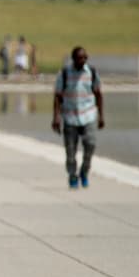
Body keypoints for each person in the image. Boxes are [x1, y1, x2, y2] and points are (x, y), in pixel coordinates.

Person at [53, 46, 104, 189]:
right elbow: (57, 96)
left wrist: (101, 116)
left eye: (85, 58)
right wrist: (56, 118)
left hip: (89, 115)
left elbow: (99, 94)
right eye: (80, 58)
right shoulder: (64, 73)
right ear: (73, 59)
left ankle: (84, 172)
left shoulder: (91, 72)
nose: (83, 60)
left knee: (90, 145)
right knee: (70, 152)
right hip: (70, 117)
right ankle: (72, 175)